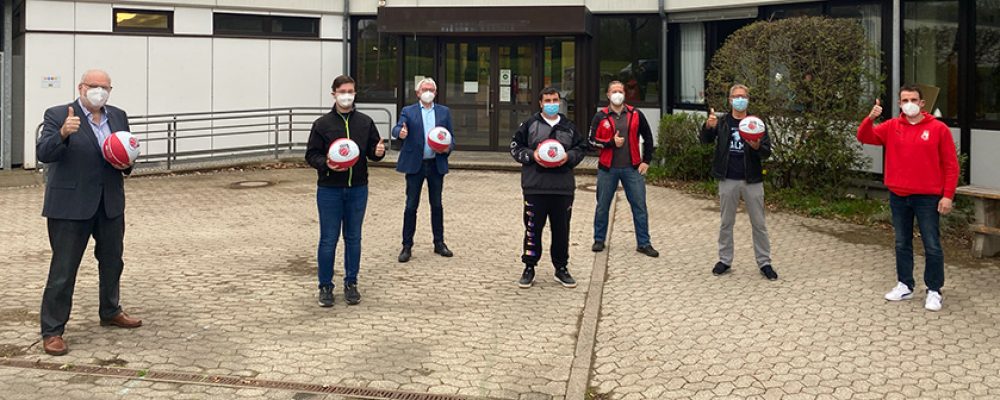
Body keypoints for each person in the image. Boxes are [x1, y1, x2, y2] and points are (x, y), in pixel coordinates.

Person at [36, 69, 142, 356]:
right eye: (94, 86)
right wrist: (62, 133)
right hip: (70, 207)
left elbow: (124, 154)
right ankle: (53, 330)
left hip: (109, 204)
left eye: (105, 87)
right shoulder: (58, 114)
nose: (99, 91)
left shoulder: (118, 116)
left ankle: (110, 310)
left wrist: (128, 163)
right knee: (63, 270)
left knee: (112, 262)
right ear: (81, 87)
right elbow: (44, 152)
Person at [857, 84, 958, 311]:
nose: (909, 104)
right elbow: (864, 137)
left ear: (922, 103)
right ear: (899, 104)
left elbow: (951, 165)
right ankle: (904, 284)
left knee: (931, 244)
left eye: (913, 99)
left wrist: (947, 196)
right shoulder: (892, 126)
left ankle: (934, 290)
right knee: (902, 242)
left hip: (928, 197)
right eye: (904, 100)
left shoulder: (938, 129)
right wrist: (869, 118)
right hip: (899, 195)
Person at [305, 75, 386, 307]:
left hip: (358, 189)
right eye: (342, 91)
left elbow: (373, 151)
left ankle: (351, 283)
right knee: (328, 239)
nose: (347, 95)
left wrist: (379, 151)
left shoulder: (365, 122)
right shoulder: (322, 124)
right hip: (330, 190)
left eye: (350, 91)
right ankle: (325, 286)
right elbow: (311, 155)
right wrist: (326, 164)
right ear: (334, 94)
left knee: (353, 238)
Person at [510, 87, 588, 289]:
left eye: (555, 100)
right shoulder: (529, 124)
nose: (552, 103)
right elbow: (515, 147)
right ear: (540, 103)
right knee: (532, 229)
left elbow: (581, 148)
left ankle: (561, 268)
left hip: (562, 188)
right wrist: (532, 155)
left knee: (561, 230)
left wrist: (568, 157)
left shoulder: (569, 126)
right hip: (535, 186)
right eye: (548, 100)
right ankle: (529, 267)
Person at [699, 84, 778, 281]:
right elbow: (705, 140)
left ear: (748, 99)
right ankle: (724, 260)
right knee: (726, 222)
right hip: (728, 179)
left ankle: (764, 262)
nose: (740, 99)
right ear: (730, 100)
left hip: (752, 180)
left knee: (759, 223)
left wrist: (758, 145)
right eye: (736, 96)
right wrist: (709, 127)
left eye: (743, 96)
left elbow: (767, 152)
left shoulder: (756, 123)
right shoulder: (722, 121)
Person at [589, 81, 659, 257]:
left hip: (632, 168)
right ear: (608, 95)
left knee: (639, 207)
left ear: (625, 94)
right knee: (602, 206)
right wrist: (610, 143)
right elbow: (591, 141)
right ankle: (599, 240)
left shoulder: (636, 114)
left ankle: (644, 243)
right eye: (614, 91)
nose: (617, 94)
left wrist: (647, 161)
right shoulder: (601, 116)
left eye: (620, 91)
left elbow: (648, 137)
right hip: (607, 169)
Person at [390, 78, 454, 263]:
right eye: (425, 89)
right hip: (415, 165)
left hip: (436, 164)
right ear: (418, 93)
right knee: (411, 206)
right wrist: (399, 133)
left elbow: (451, 137)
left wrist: (447, 149)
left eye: (431, 89)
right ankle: (407, 245)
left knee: (437, 205)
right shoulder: (408, 111)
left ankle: (439, 243)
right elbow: (397, 128)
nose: (428, 92)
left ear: (436, 92)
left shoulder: (444, 112)